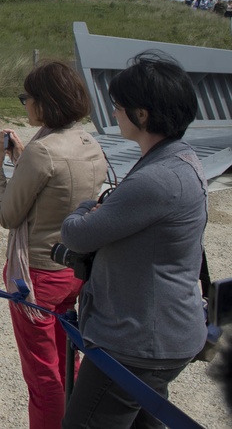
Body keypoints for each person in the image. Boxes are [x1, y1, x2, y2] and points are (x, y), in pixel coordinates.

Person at [60, 53, 208, 429]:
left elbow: (76, 234)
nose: (115, 114)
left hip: (136, 344)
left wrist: (84, 207)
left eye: (119, 107)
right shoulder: (181, 158)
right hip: (162, 335)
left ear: (142, 115)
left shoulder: (157, 179)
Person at [0, 61, 108, 429]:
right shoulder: (87, 142)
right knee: (67, 359)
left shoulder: (43, 152)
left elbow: (8, 214)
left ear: (43, 102)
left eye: (27, 97)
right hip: (73, 268)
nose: (25, 104)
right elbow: (55, 191)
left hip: (36, 275)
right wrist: (21, 159)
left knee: (41, 375)